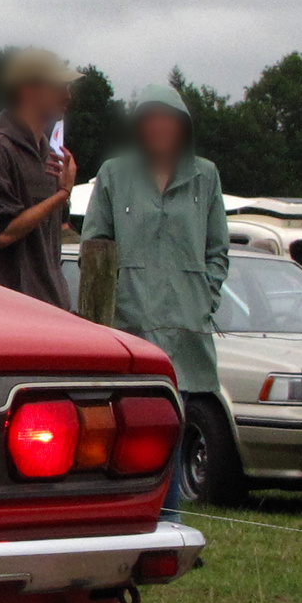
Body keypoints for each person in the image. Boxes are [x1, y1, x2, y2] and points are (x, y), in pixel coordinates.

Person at [82, 85, 230, 514]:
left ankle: (169, 519)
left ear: (182, 125)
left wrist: (205, 296)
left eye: (166, 118)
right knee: (131, 429)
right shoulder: (113, 174)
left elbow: (217, 250)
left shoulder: (207, 175)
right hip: (129, 324)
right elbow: (96, 246)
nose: (158, 127)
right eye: (149, 118)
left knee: (176, 425)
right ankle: (122, 519)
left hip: (186, 325)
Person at [0, 48, 80, 309]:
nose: (67, 95)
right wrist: (61, 195)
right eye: (59, 86)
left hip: (46, 311)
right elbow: (1, 233)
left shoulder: (48, 154)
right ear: (28, 90)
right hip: (4, 316)